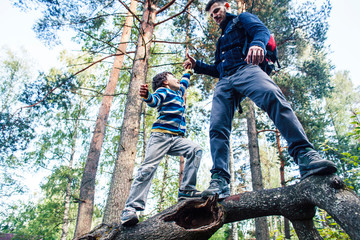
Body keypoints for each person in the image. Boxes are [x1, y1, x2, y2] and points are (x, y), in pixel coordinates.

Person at [183, 0, 337, 200]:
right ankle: (219, 181)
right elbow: (217, 69)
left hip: (247, 69)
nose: (215, 16)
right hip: (224, 81)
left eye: (217, 11)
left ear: (227, 6)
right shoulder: (220, 41)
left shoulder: (242, 18)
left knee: (273, 97)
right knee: (217, 127)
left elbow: (261, 31)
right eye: (212, 15)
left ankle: (305, 156)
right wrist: (198, 66)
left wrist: (257, 44)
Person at [120, 68, 203, 227]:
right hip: (160, 137)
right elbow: (154, 101)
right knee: (148, 168)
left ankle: (186, 190)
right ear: (165, 81)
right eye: (173, 77)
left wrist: (187, 71)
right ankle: (130, 209)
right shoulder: (163, 91)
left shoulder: (178, 93)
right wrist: (146, 96)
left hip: (175, 139)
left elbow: (184, 84)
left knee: (195, 149)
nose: (177, 79)